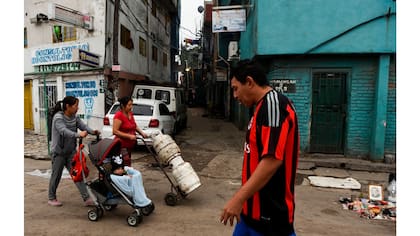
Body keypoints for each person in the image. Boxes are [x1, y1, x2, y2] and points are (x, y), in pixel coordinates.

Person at [220, 59, 300, 236]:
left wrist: (238, 199)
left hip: (270, 216)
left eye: (235, 88)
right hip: (250, 213)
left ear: (249, 82)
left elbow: (272, 160)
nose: (234, 95)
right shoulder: (260, 107)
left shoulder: (273, 106)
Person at [48, 96, 100, 207]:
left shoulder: (74, 117)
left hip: (71, 152)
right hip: (58, 153)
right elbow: (63, 131)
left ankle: (86, 198)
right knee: (56, 175)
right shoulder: (58, 117)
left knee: (77, 174)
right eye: (76, 105)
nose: (78, 108)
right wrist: (78, 135)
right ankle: (51, 197)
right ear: (68, 106)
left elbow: (83, 126)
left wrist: (93, 131)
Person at [112, 96, 148, 166]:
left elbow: (134, 125)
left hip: (129, 146)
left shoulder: (130, 113)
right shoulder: (119, 115)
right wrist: (129, 136)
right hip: (121, 146)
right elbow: (115, 131)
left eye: (132, 105)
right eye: (129, 105)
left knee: (128, 163)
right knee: (124, 163)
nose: (131, 107)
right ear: (123, 105)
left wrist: (142, 133)